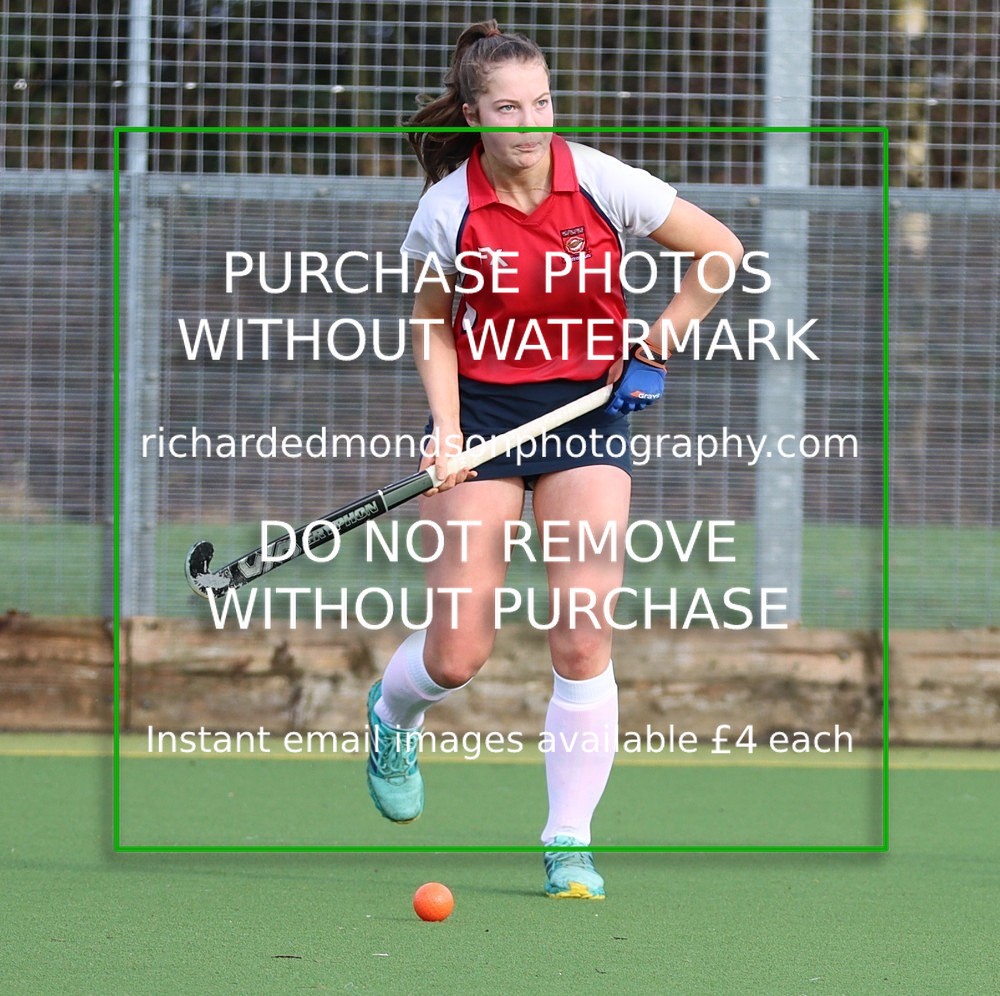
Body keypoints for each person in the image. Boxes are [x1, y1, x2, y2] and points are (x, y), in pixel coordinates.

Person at [365, 19, 743, 899]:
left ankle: (567, 842)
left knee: (582, 631)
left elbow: (720, 252)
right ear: (475, 115)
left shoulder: (602, 181)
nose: (531, 127)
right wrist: (448, 430)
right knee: (458, 653)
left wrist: (660, 339)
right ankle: (391, 715)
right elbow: (429, 325)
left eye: (542, 104)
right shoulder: (447, 209)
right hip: (486, 412)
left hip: (588, 413)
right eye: (509, 110)